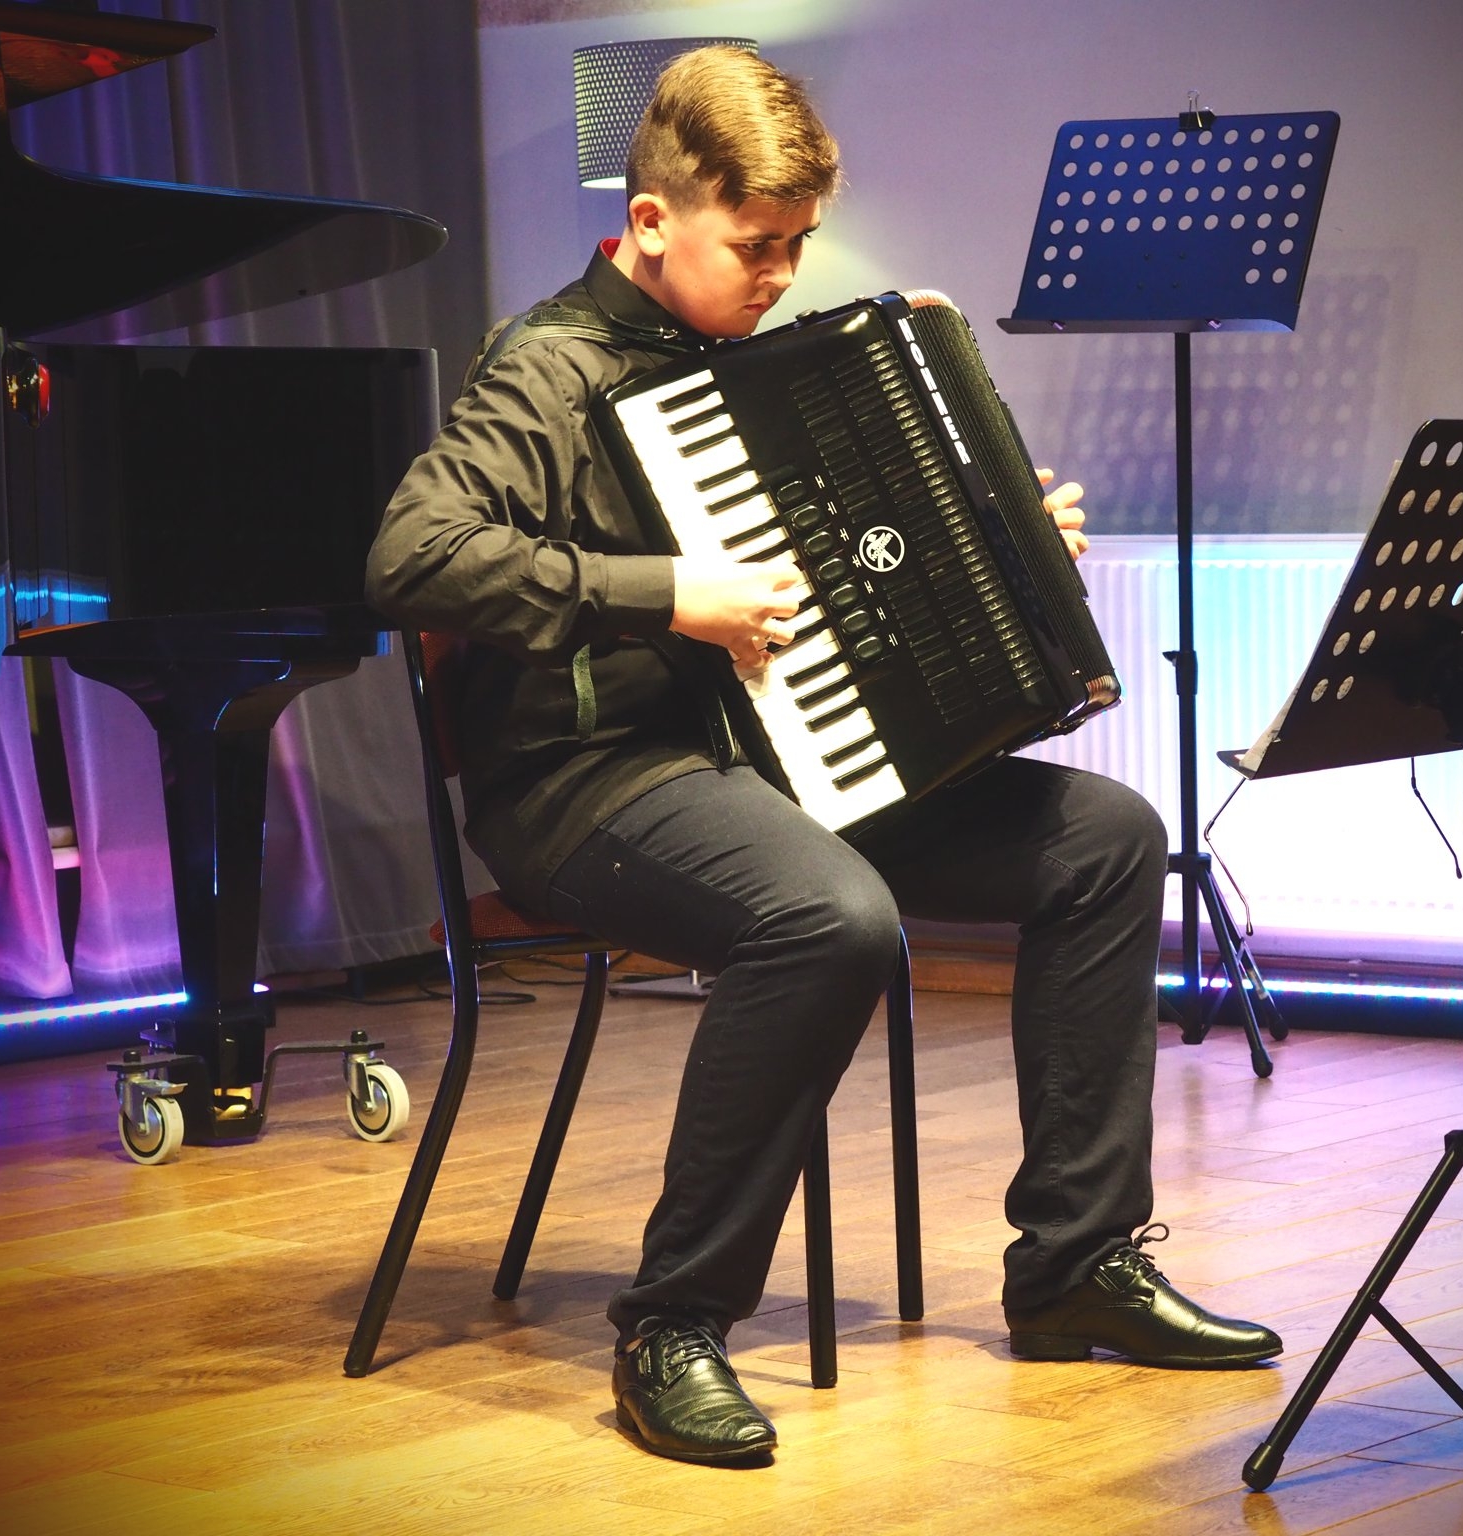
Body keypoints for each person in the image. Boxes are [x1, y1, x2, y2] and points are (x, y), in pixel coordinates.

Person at [365, 45, 1281, 1469]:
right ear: (650, 219)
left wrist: (1008, 540)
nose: (783, 275)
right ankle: (672, 1324)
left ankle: (1073, 1266)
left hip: (769, 767)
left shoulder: (769, 370)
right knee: (830, 918)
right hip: (585, 783)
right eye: (757, 246)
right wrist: (665, 592)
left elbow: (859, 588)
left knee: (1105, 840)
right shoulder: (547, 367)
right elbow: (411, 557)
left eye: (798, 244)